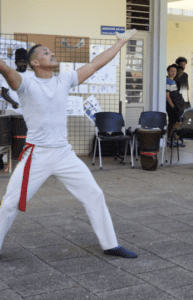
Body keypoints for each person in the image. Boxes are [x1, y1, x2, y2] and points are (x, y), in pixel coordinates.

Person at [0, 29, 140, 259]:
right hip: (37, 155)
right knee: (9, 204)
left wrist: (119, 44)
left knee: (94, 194)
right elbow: (5, 70)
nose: (51, 53)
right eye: (46, 52)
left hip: (63, 154)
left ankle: (110, 244)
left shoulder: (64, 80)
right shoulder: (26, 83)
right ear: (35, 62)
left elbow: (95, 64)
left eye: (51, 51)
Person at [0, 48, 33, 171]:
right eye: (20, 62)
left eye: (25, 61)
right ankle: (1, 156)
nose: (23, 64)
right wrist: (13, 103)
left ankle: (27, 159)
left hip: (27, 112)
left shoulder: (31, 76)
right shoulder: (10, 74)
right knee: (6, 136)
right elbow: (4, 92)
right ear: (16, 62)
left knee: (27, 137)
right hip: (12, 110)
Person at [166, 64, 184, 147]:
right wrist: (173, 107)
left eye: (174, 71)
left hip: (175, 105)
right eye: (171, 71)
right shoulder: (168, 81)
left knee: (172, 122)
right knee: (177, 122)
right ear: (168, 71)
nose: (173, 72)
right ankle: (171, 139)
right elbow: (167, 95)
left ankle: (171, 139)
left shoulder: (173, 81)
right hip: (171, 106)